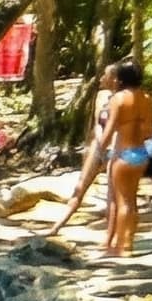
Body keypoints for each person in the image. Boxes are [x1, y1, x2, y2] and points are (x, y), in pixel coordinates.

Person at [48, 64, 119, 235]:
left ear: (115, 79)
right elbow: (97, 124)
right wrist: (96, 147)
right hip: (99, 146)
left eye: (105, 75)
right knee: (80, 186)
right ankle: (57, 226)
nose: (101, 78)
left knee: (113, 193)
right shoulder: (102, 96)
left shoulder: (125, 99)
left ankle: (111, 236)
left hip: (117, 149)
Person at [101, 59, 152, 257]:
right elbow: (150, 132)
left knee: (122, 201)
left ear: (121, 78)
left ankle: (121, 247)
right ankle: (129, 243)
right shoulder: (147, 99)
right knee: (132, 201)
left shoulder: (119, 99)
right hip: (141, 154)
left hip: (123, 154)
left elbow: (109, 129)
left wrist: (100, 150)